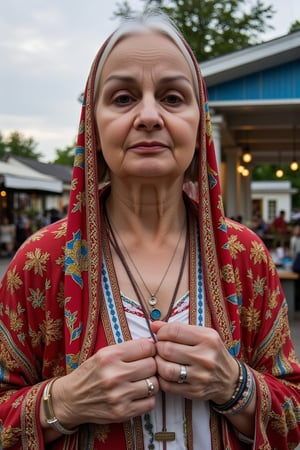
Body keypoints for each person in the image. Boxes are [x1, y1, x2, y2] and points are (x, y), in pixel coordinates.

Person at [0, 11, 299, 450]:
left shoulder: (245, 255)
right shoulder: (41, 261)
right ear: (93, 124)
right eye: (122, 98)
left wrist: (236, 386)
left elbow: (294, 413)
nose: (148, 116)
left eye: (173, 98)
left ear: (201, 123)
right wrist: (62, 401)